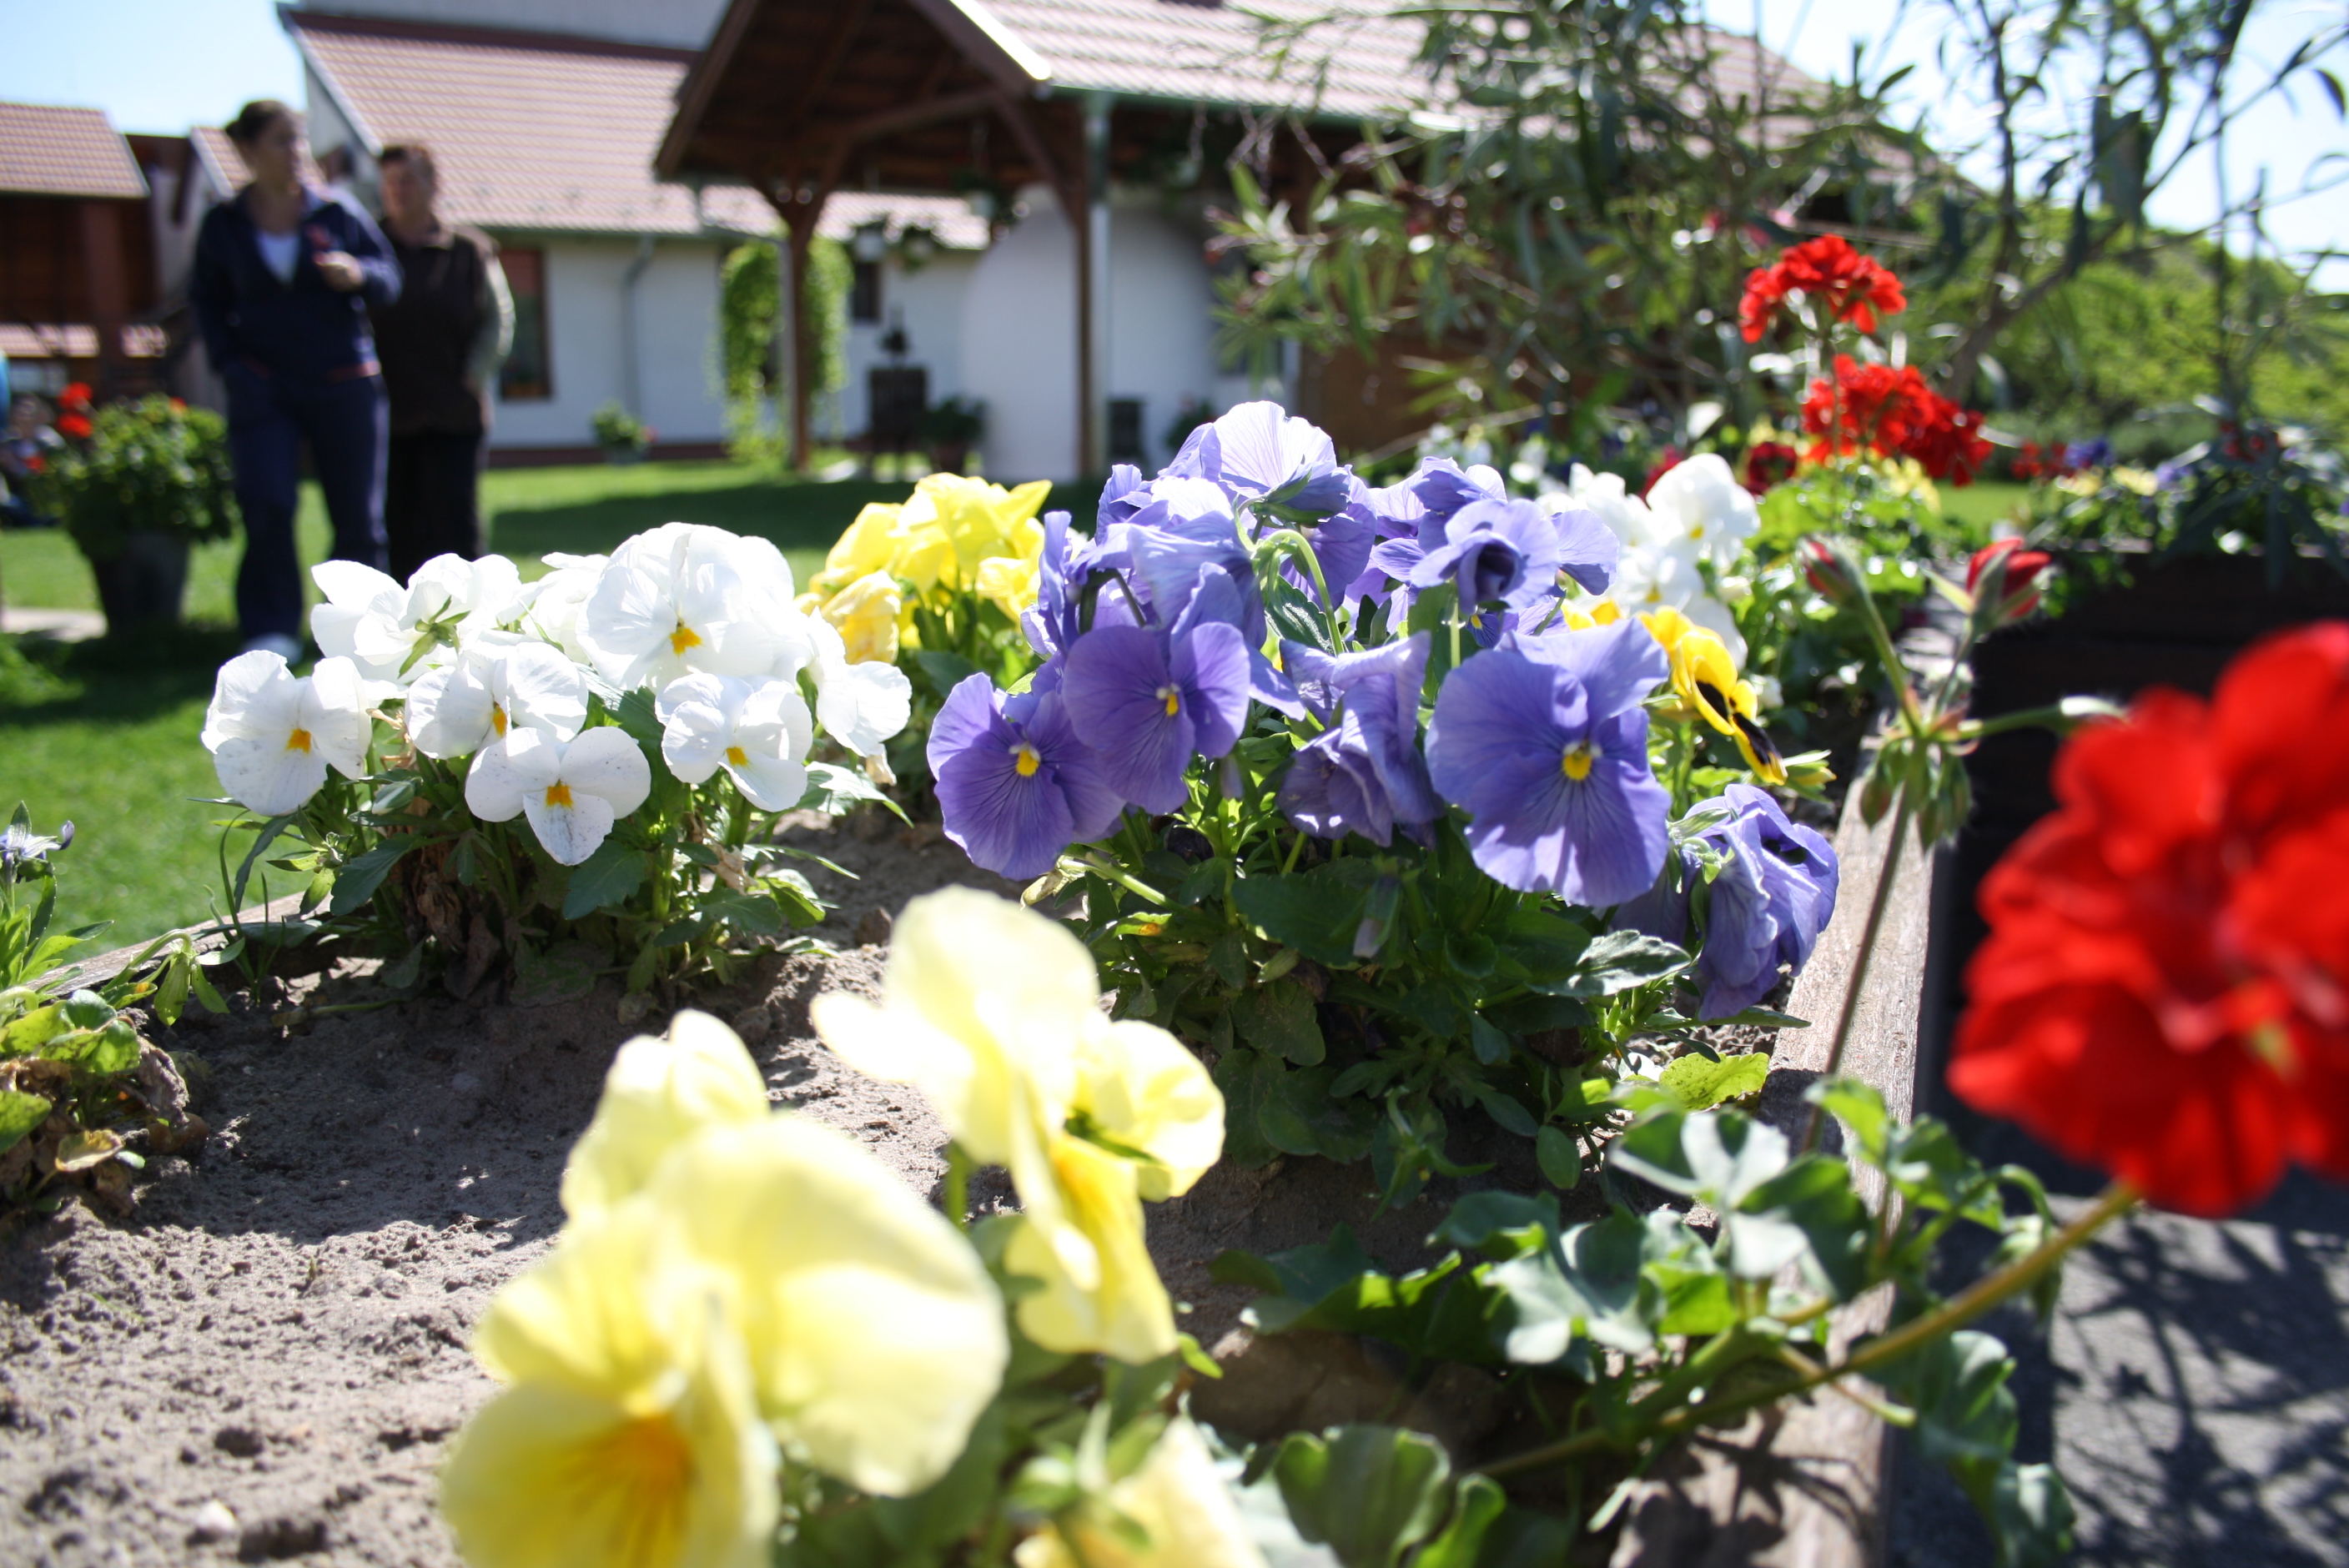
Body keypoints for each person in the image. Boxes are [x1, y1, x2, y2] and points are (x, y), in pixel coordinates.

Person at [190, 99, 399, 660]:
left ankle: (357, 634)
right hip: (263, 387)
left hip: (345, 379)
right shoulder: (224, 224)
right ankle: (271, 630)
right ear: (247, 150)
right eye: (282, 140)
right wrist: (231, 365)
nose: (297, 151)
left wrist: (358, 273)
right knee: (267, 502)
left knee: (358, 517)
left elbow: (389, 278)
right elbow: (205, 302)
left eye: (300, 138)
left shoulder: (338, 212)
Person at [370, 143, 512, 583]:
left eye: (408, 180)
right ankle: (404, 612)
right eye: (391, 182)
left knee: (455, 520)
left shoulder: (469, 250)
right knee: (398, 520)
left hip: (455, 412)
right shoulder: (368, 246)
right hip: (386, 414)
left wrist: (474, 375)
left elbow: (498, 319)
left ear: (434, 184)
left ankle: (469, 608)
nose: (399, 191)